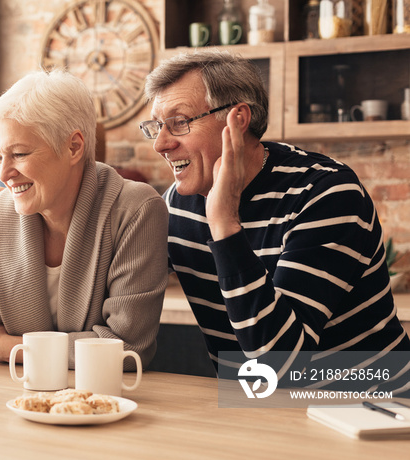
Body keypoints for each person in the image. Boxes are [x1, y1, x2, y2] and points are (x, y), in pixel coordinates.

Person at [141, 49, 410, 393]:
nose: (160, 144)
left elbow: (280, 366)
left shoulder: (326, 193)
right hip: (261, 407)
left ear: (237, 120)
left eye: (180, 122)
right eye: (155, 127)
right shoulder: (176, 206)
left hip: (373, 404)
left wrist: (224, 223)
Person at [0, 70, 168, 370]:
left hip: (104, 406)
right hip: (14, 403)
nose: (3, 173)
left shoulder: (135, 211)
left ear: (73, 147)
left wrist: (15, 348)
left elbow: (127, 347)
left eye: (18, 154)